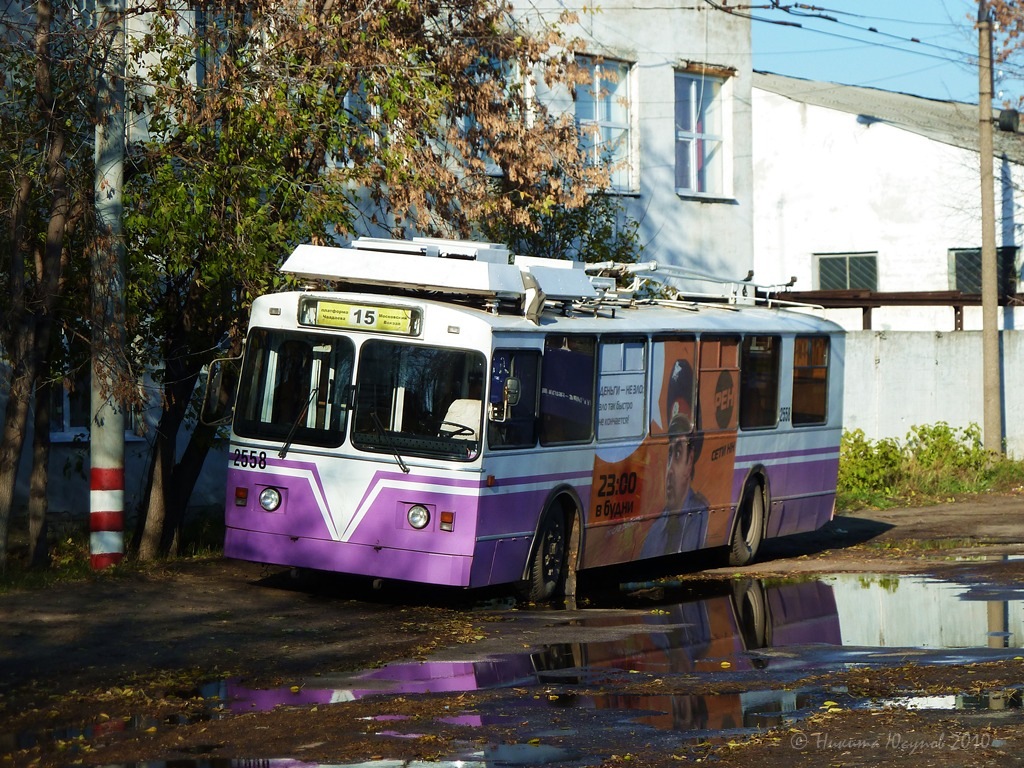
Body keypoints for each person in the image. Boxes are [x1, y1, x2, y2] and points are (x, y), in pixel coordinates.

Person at [641, 358, 709, 558]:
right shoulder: (654, 533)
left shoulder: (701, 515)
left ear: (690, 460)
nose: (669, 470)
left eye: (678, 453)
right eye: (670, 453)